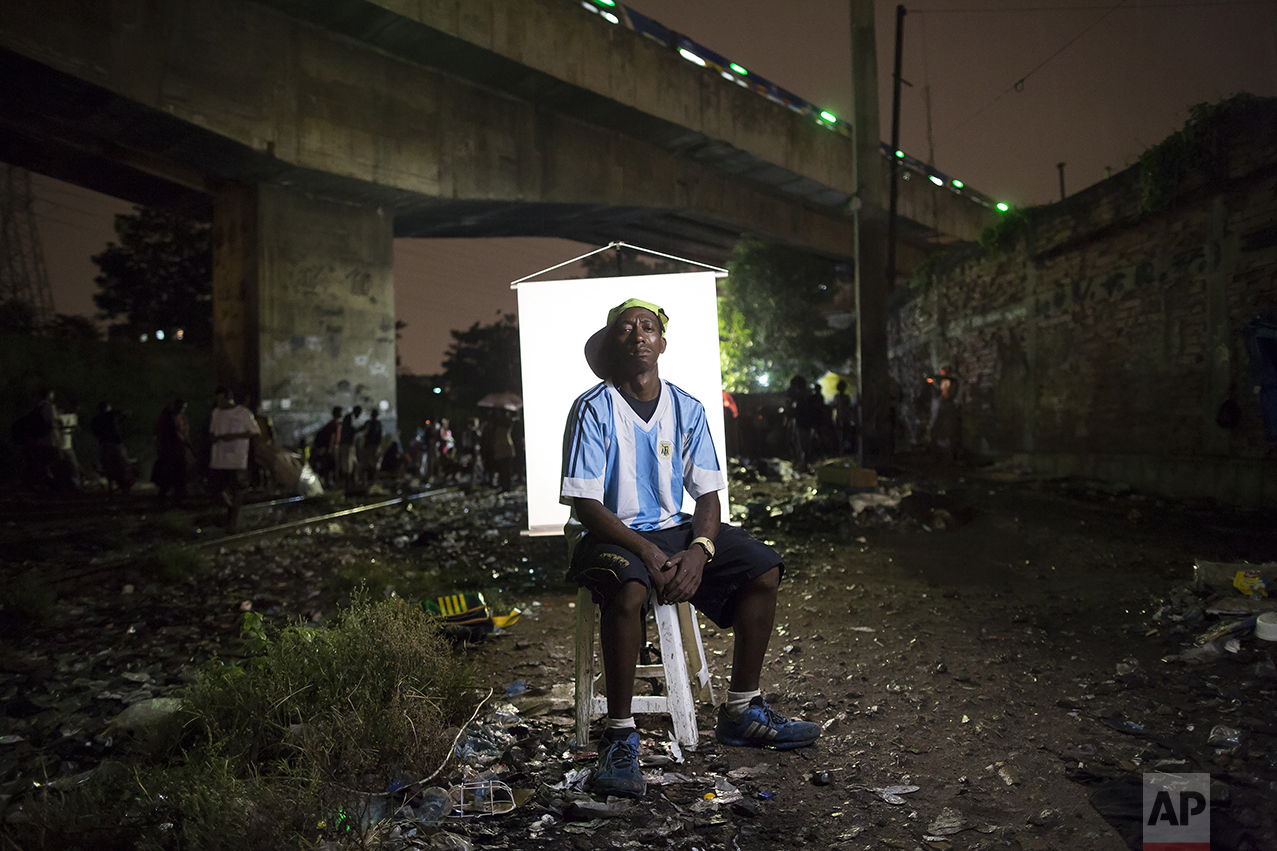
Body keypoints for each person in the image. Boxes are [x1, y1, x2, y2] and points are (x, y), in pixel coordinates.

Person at [561, 298, 820, 800]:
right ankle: (619, 736)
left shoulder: (688, 408)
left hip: (673, 530)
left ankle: (742, 710)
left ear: (662, 342)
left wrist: (699, 549)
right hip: (606, 535)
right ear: (612, 344)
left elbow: (707, 496)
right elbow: (587, 505)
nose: (638, 334)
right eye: (626, 328)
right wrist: (650, 554)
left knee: (763, 568)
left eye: (649, 327)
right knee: (632, 585)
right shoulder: (592, 408)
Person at [208, 387, 260, 532]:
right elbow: (212, 432)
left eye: (219, 399)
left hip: (236, 459)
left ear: (227, 397)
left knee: (237, 489)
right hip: (218, 459)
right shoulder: (216, 413)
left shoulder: (243, 413)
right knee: (216, 489)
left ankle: (233, 521)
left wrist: (234, 436)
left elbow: (255, 432)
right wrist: (215, 438)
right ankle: (231, 510)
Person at [153, 397, 191, 504]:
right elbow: (160, 433)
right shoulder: (167, 417)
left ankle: (177, 498)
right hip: (169, 450)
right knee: (168, 474)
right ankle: (165, 497)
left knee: (179, 475)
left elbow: (185, 434)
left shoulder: (182, 418)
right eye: (181, 407)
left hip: (179, 450)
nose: (182, 409)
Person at [91, 401, 134, 493]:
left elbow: (95, 432)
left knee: (108, 465)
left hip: (103, 443)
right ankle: (123, 485)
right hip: (115, 443)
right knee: (121, 463)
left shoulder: (96, 419)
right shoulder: (111, 415)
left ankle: (111, 485)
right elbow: (124, 414)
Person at [312, 407, 342, 486]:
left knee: (329, 465)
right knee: (331, 465)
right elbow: (332, 437)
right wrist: (331, 449)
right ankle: (329, 482)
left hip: (331, 447)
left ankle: (329, 481)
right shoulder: (334, 424)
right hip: (332, 448)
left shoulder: (334, 423)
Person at [338, 405, 364, 489]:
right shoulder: (349, 418)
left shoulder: (349, 418)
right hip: (347, 445)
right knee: (347, 465)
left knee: (353, 464)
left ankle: (351, 483)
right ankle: (347, 484)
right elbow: (351, 430)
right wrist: (361, 428)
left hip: (350, 445)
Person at [833, 380, 856, 456]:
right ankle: (841, 451)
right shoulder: (838, 397)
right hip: (840, 418)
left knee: (845, 435)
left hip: (844, 418)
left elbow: (848, 409)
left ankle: (843, 451)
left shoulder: (845, 398)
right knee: (840, 435)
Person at [361, 408, 384, 485]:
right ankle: (374, 479)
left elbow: (365, 434)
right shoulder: (378, 423)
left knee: (367, 463)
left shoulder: (369, 423)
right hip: (375, 446)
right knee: (375, 463)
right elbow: (380, 436)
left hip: (369, 446)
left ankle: (366, 480)